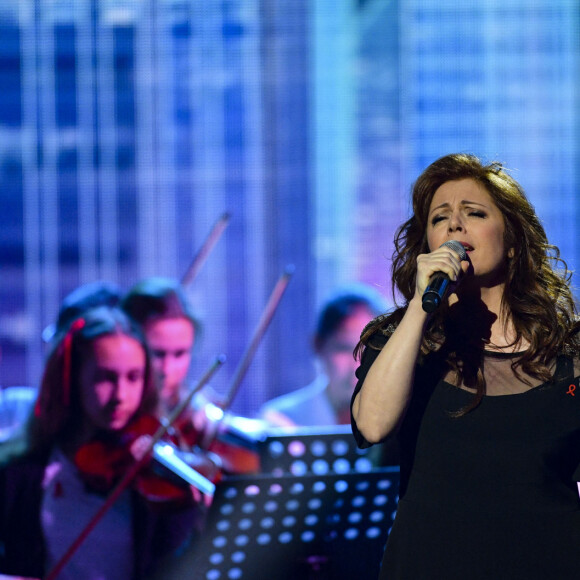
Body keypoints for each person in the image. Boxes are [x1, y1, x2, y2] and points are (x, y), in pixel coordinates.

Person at [351, 153, 580, 579]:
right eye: (441, 218)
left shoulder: (569, 352)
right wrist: (421, 308)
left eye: (474, 213)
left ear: (513, 240)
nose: (455, 225)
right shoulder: (404, 341)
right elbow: (372, 425)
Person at [0, 306, 201, 580]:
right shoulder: (21, 473)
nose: (121, 395)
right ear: (71, 380)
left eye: (134, 377)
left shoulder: (151, 471)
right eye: (105, 378)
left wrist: (195, 514)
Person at [122, 277, 264, 475]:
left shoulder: (197, 406)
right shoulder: (118, 414)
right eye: (157, 354)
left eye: (180, 354)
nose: (167, 368)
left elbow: (251, 460)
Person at [260, 283, 388, 427]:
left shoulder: (407, 417)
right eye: (344, 349)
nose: (358, 366)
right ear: (318, 345)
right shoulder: (282, 421)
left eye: (371, 350)